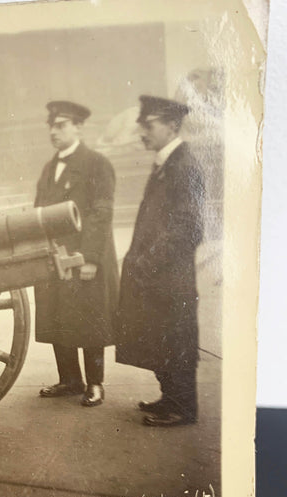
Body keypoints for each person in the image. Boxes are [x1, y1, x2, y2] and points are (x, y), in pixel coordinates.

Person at [115, 95, 205, 427]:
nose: (142, 131)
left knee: (175, 339)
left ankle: (182, 407)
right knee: (161, 337)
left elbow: (189, 227)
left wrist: (147, 262)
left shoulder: (184, 165)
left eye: (148, 125)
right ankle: (170, 398)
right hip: (160, 274)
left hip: (171, 276)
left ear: (171, 126)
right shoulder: (166, 163)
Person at [34, 100, 118, 407]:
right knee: (59, 314)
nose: (54, 132)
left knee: (89, 318)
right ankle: (69, 379)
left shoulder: (96, 163)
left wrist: (91, 258)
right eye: (51, 126)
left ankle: (95, 383)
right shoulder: (49, 168)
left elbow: (101, 212)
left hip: (84, 256)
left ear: (78, 127)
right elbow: (39, 213)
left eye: (61, 125)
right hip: (56, 256)